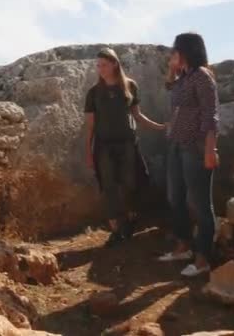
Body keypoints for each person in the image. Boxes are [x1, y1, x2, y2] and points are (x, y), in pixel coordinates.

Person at [85, 48, 165, 248]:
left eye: (104, 64)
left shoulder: (130, 86)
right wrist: (88, 151)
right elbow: (91, 125)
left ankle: (129, 221)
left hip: (128, 144)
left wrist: (159, 126)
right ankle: (114, 230)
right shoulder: (94, 93)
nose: (100, 69)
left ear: (114, 64)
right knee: (108, 186)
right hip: (104, 146)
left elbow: (137, 115)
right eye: (98, 65)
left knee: (131, 184)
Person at [158, 33, 220, 277]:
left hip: (195, 147)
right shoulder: (184, 77)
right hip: (175, 144)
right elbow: (170, 88)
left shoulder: (203, 76)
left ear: (187, 51)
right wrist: (173, 70)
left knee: (201, 204)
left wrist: (210, 149)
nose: (171, 55)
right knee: (176, 197)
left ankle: (203, 258)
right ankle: (183, 247)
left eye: (175, 51)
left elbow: (211, 115)